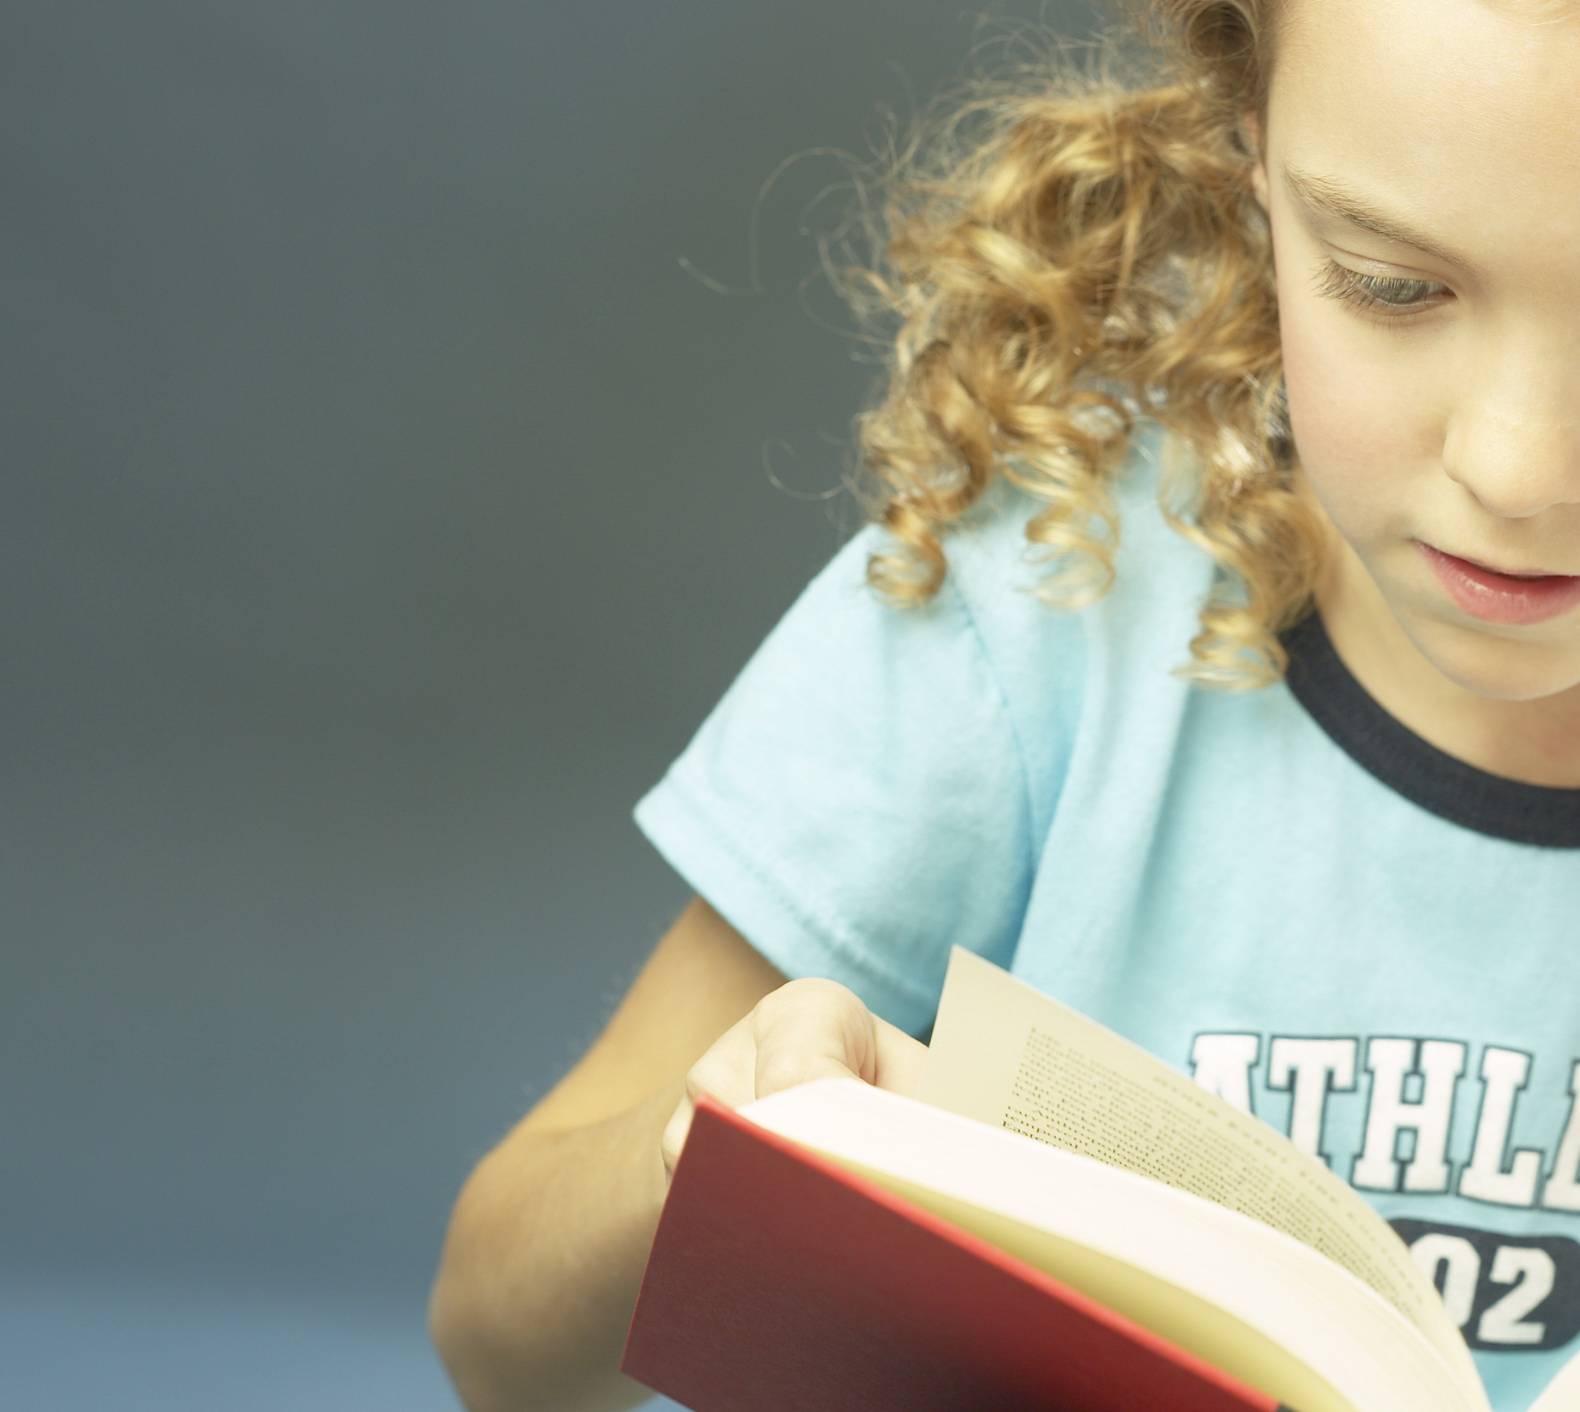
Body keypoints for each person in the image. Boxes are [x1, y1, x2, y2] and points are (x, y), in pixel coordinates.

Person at [428, 0, 1580, 1406]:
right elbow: (497, 1330)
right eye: (1392, 287)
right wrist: (733, 1144)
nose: (1522, 468)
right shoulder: (1049, 611)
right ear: (1251, 164)